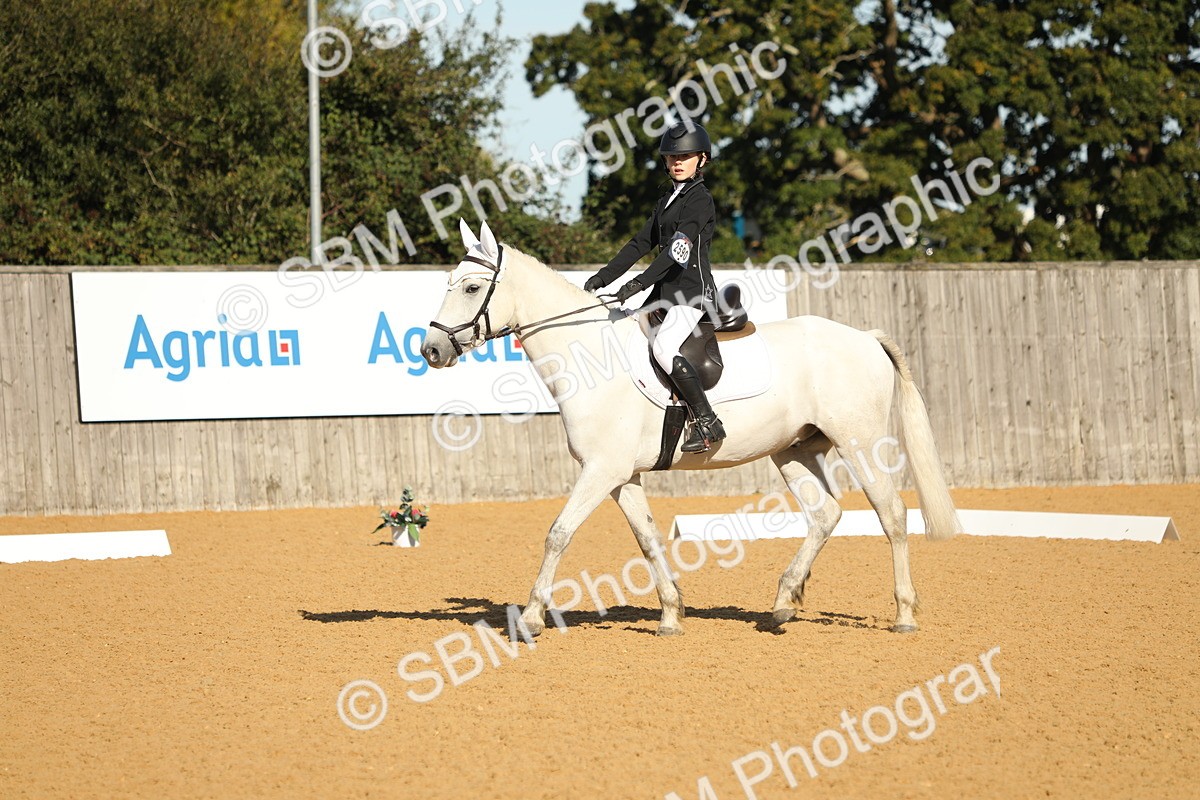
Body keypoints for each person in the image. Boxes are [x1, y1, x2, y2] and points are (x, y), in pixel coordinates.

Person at [584, 121, 725, 453]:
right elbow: (640, 243)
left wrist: (634, 284)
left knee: (663, 348)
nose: (678, 162)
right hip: (663, 295)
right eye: (672, 157)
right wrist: (602, 278)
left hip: (692, 295)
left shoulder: (699, 200)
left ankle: (707, 421)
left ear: (702, 159)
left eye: (686, 156)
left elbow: (678, 252)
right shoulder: (667, 196)